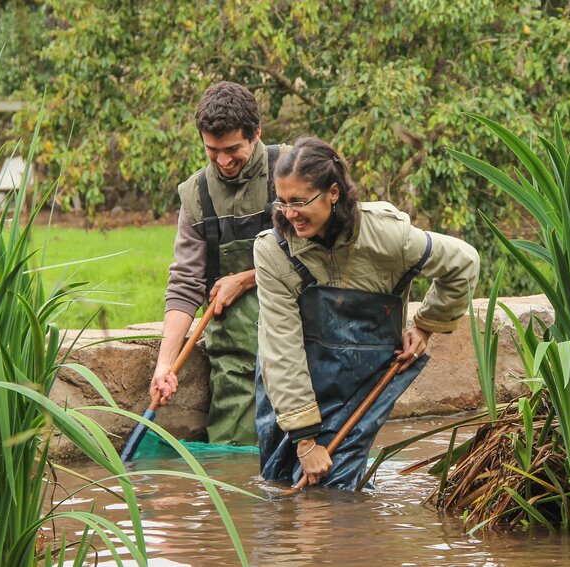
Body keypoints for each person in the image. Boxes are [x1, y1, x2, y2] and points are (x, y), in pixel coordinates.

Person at [253, 137, 480, 489]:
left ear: (333, 193)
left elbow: (463, 263)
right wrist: (305, 439)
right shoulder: (272, 252)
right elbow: (281, 349)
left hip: (360, 387)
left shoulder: (388, 236)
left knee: (333, 494)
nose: (289, 214)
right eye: (281, 202)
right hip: (290, 389)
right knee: (278, 482)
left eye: (299, 201)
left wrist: (424, 327)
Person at [150, 81, 286, 446]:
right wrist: (165, 364)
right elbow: (185, 284)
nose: (224, 161)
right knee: (235, 471)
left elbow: (323, 253)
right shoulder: (196, 195)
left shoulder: (293, 169)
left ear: (256, 133)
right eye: (212, 151)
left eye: (233, 150)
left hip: (303, 349)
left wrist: (244, 279)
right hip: (236, 362)